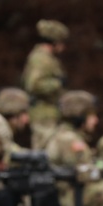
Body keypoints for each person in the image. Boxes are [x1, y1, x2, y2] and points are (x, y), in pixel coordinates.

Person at [21, 19, 69, 148]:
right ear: (55, 42)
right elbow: (34, 85)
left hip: (49, 112)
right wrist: (57, 83)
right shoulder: (41, 59)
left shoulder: (47, 58)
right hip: (42, 114)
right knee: (44, 150)